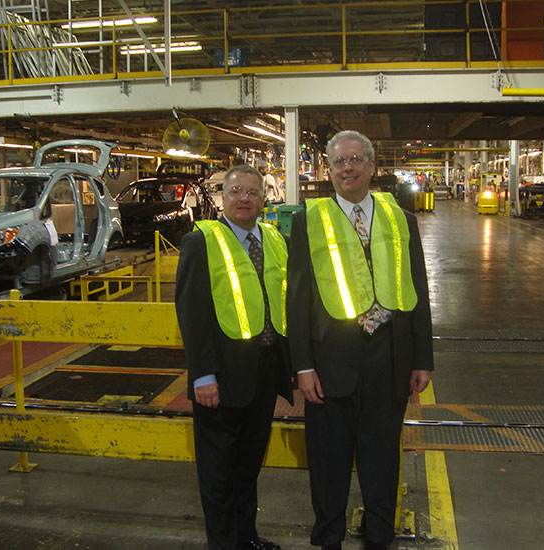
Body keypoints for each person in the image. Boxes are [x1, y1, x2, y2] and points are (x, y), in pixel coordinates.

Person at [286, 131, 434, 550]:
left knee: (383, 456)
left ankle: (380, 534)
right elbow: (297, 299)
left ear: (372, 166)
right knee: (329, 459)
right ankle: (328, 535)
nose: (347, 168)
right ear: (328, 170)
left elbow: (418, 289)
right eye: (338, 162)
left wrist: (422, 357)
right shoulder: (307, 220)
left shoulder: (400, 219)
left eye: (355, 160)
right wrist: (303, 366)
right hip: (331, 362)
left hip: (389, 357)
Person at [175, 165, 294, 550]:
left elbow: (282, 303)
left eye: (253, 192)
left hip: (264, 373)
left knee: (247, 466)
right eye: (237, 191)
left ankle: (247, 537)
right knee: (218, 471)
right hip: (221, 379)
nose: (245, 198)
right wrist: (202, 375)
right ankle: (224, 544)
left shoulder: (275, 240)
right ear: (223, 197)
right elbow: (191, 314)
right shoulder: (201, 241)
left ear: (264, 199)